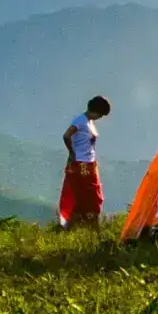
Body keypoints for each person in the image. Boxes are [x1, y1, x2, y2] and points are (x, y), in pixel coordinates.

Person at [59, 95, 111, 229]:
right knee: (86, 198)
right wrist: (72, 152)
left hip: (89, 164)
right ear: (96, 110)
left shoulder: (89, 122)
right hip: (81, 164)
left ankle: (88, 228)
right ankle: (79, 228)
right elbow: (66, 135)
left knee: (91, 197)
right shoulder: (80, 121)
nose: (101, 117)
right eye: (101, 114)